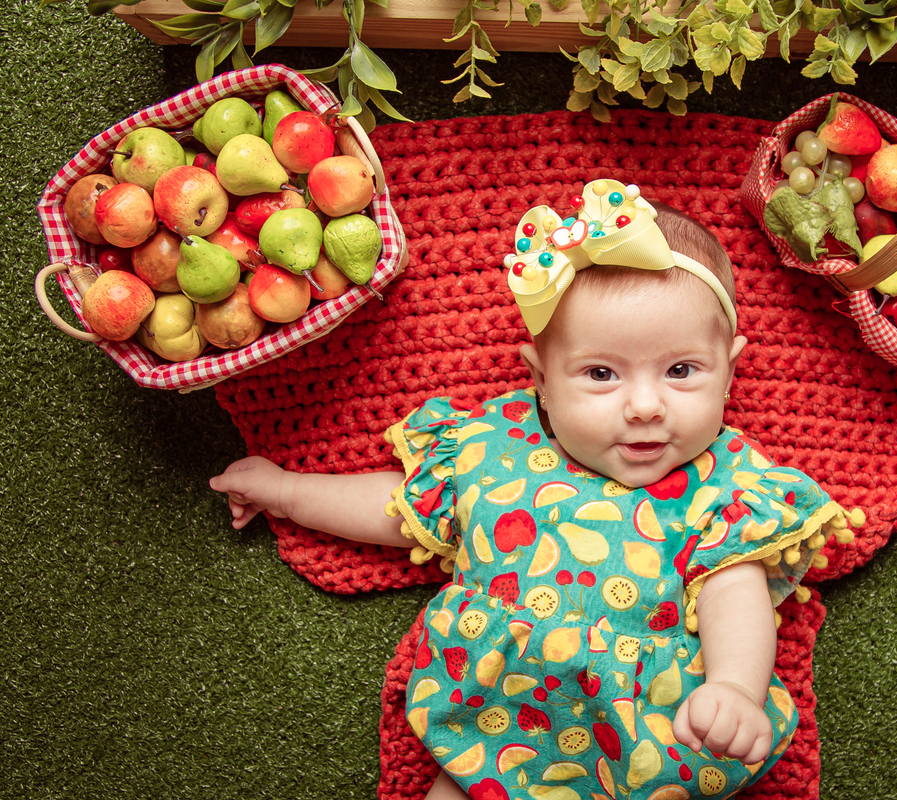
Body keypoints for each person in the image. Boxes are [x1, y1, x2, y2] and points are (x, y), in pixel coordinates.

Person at [210, 179, 860, 800]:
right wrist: (288, 491)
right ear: (541, 379)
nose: (643, 406)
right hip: (498, 728)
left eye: (682, 371)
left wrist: (734, 688)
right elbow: (394, 509)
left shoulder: (723, 484)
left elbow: (734, 593)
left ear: (730, 373)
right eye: (601, 373)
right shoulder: (493, 447)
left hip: (653, 734)